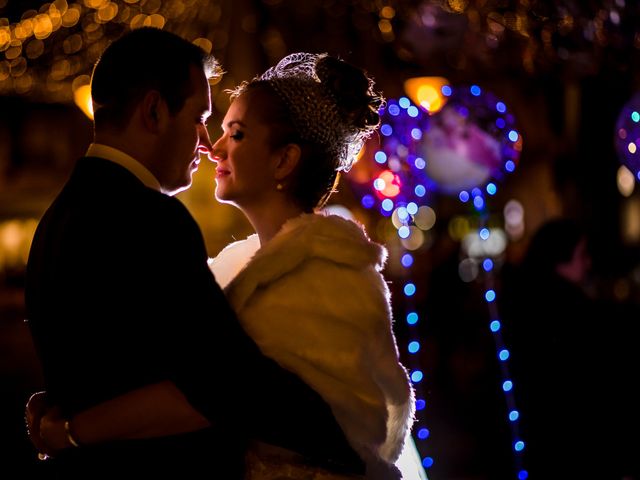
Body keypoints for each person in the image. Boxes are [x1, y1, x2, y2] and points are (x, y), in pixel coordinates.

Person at [28, 52, 417, 479]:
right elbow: (204, 376)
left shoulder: (325, 277)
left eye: (237, 133)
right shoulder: (226, 263)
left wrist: (70, 428)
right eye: (210, 123)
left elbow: (221, 391)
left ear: (284, 160)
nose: (211, 146)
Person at [499, 218, 640, 479]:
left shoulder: (522, 304)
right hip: (577, 445)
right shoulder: (575, 313)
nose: (588, 263)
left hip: (538, 444)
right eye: (581, 254)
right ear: (559, 256)